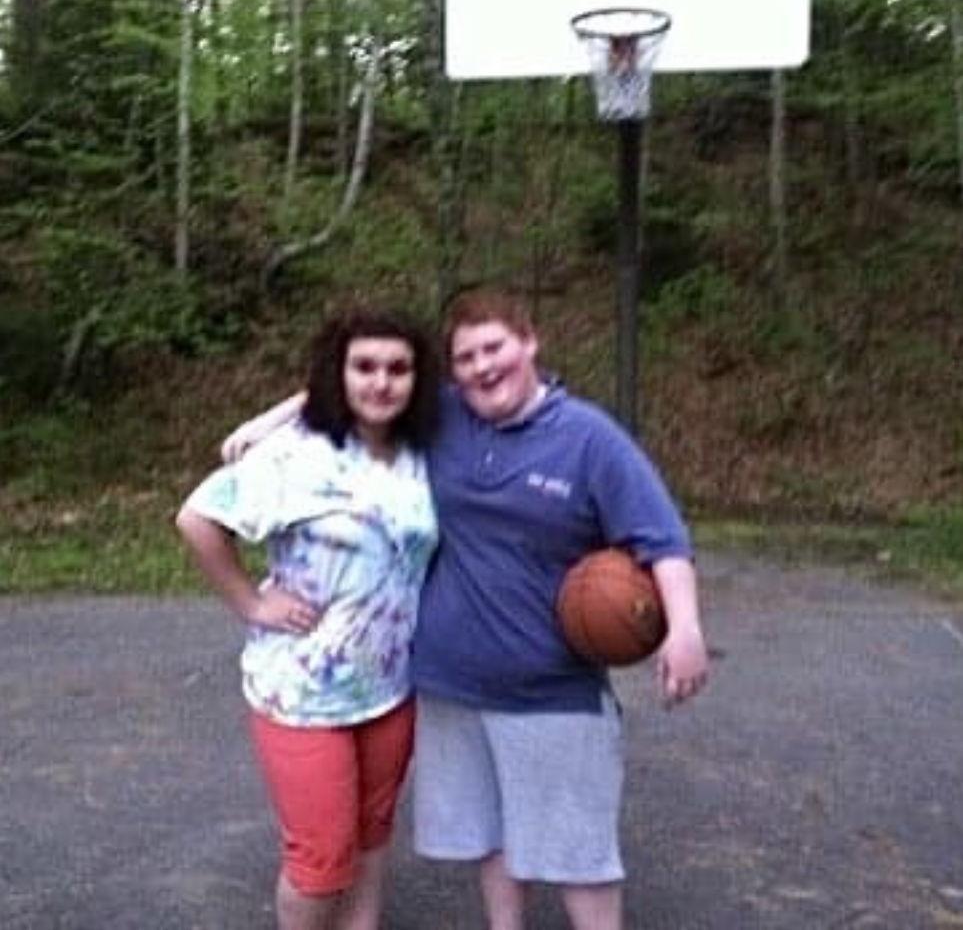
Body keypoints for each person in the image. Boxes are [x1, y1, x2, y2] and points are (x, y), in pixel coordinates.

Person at [221, 290, 709, 930]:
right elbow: (362, 384)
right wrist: (275, 420)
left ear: (529, 341)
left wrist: (686, 629)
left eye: (494, 348)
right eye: (466, 357)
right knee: (491, 841)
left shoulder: (589, 438)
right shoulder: (445, 419)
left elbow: (661, 539)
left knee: (580, 855)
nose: (482, 367)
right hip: (452, 688)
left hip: (551, 690)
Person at [177, 307, 439, 930]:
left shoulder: (421, 451)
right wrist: (251, 602)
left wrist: (281, 404)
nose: (381, 382)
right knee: (321, 859)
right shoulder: (293, 456)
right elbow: (197, 518)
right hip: (301, 692)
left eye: (397, 368)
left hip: (389, 689)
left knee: (372, 840)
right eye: (364, 367)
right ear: (338, 374)